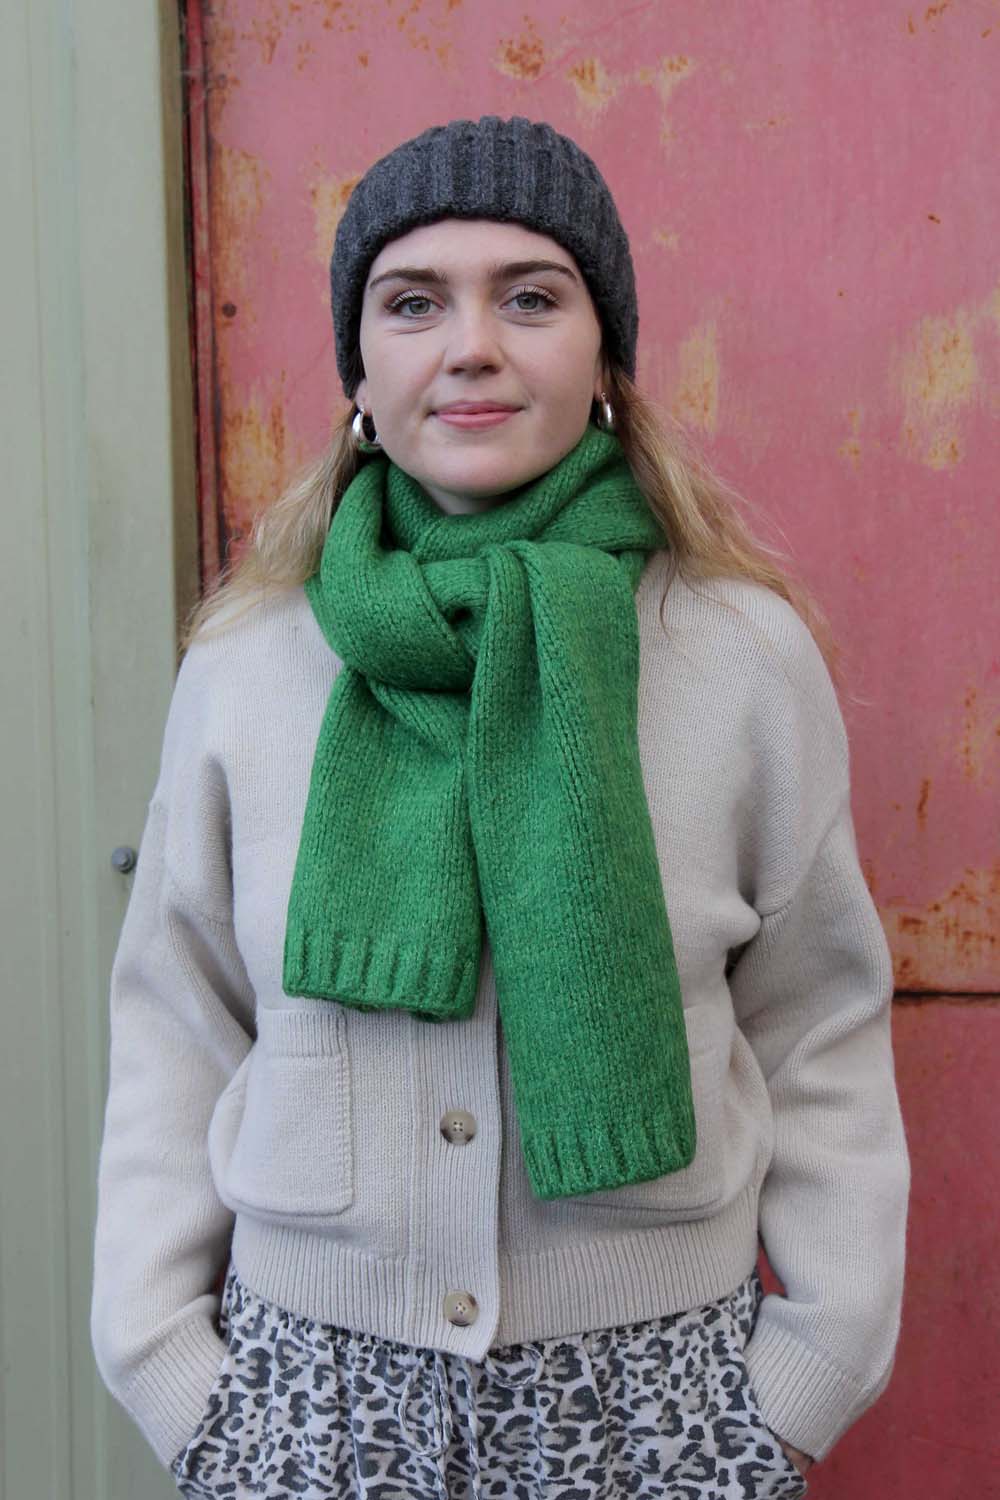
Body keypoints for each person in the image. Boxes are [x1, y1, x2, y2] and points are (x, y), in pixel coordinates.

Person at [90, 115, 910, 1499]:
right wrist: (183, 1383)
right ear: (361, 367)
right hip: (312, 1407)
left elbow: (819, 1025)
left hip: (659, 1404)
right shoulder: (248, 666)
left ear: (606, 359)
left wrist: (793, 1390)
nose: (471, 345)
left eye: (531, 296)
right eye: (413, 303)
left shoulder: (736, 656)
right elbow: (178, 1023)